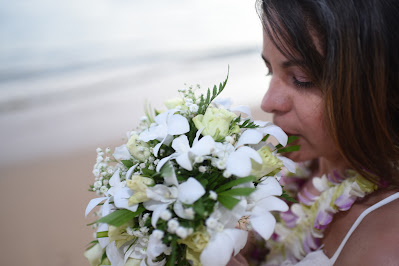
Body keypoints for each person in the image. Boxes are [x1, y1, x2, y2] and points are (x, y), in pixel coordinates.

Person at [229, 0, 399, 265]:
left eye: (301, 78)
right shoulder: (284, 168)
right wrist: (234, 236)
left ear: (377, 83)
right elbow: (250, 232)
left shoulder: (385, 246)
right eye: (269, 70)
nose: (268, 102)